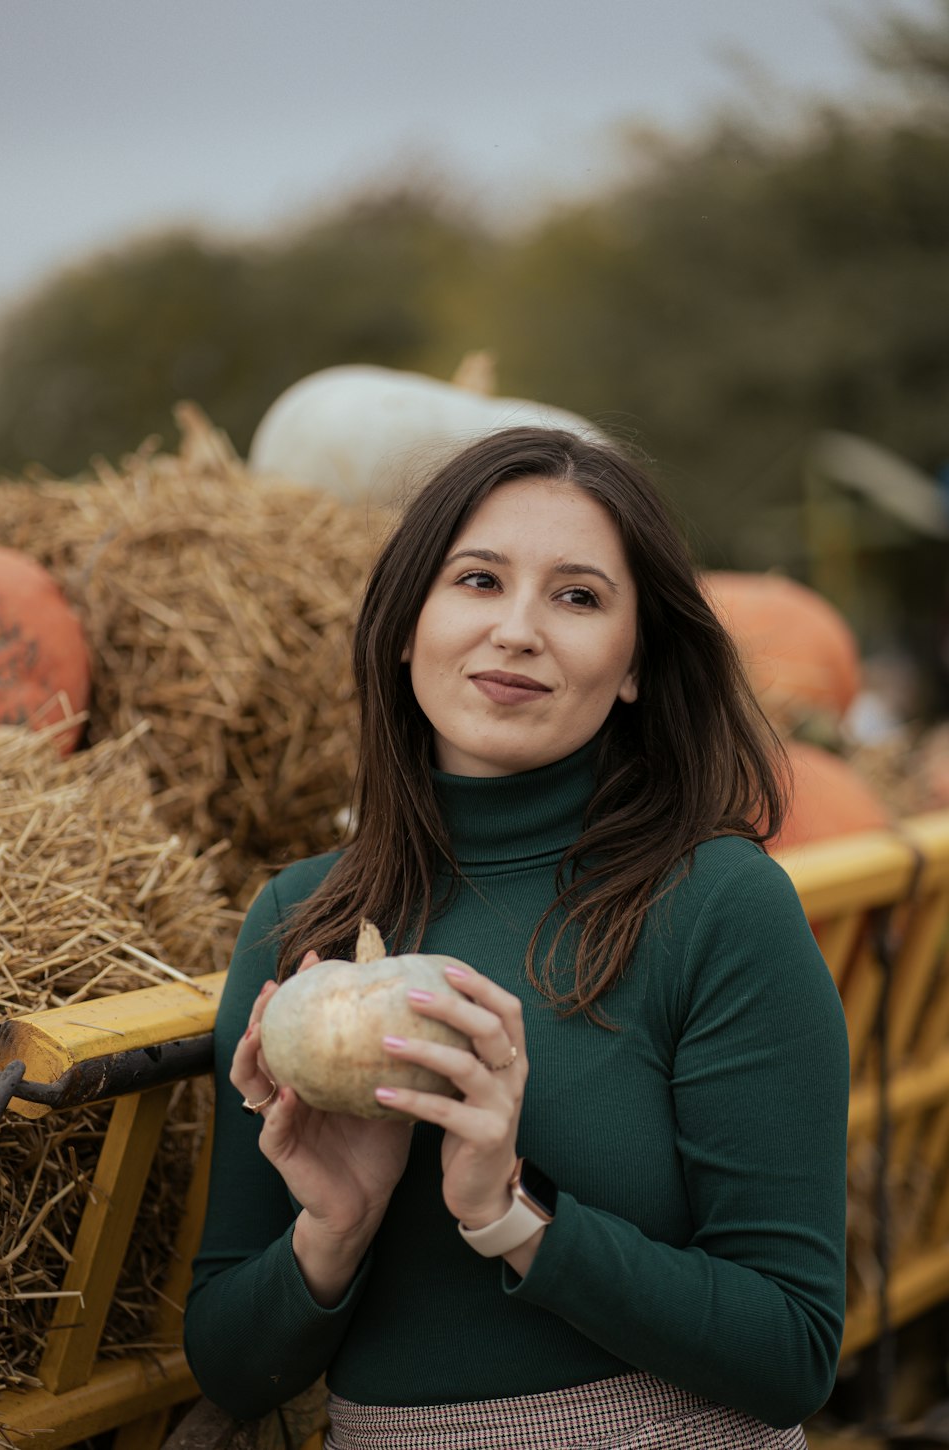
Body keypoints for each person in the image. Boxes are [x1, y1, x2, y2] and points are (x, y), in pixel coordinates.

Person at [184, 427, 849, 1449]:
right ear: (406, 624)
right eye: (479, 580)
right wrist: (335, 1225)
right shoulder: (301, 924)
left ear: (633, 666)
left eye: (577, 596)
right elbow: (231, 1364)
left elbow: (791, 1352)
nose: (519, 630)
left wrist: (510, 1210)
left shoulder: (717, 904)